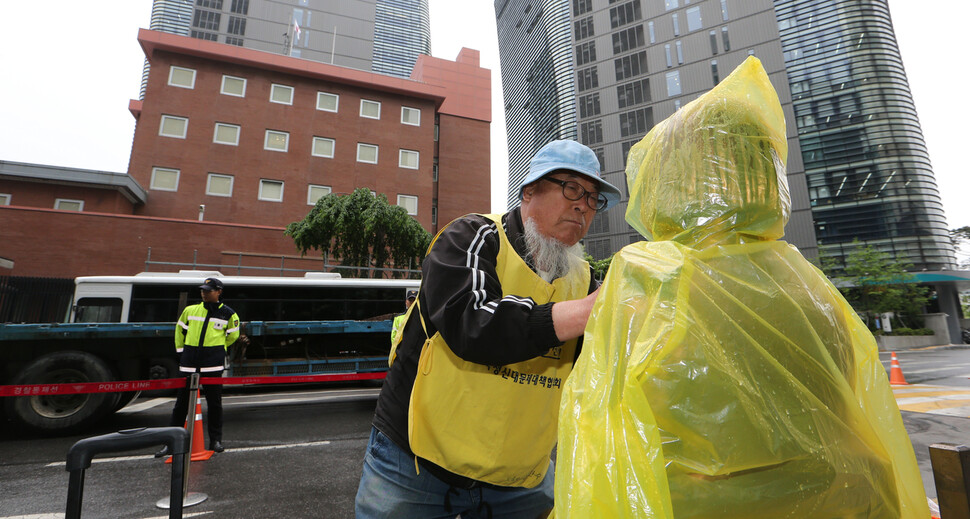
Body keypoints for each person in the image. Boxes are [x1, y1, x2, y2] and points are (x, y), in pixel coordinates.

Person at [355, 139, 622, 518]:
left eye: (594, 198)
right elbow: (473, 321)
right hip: (416, 466)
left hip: (520, 478)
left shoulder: (583, 279)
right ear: (529, 190)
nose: (583, 205)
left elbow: (605, 367)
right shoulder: (472, 237)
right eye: (572, 189)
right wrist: (587, 312)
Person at [155, 277, 240, 457]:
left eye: (208, 290)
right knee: (181, 404)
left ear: (219, 292)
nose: (204, 293)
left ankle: (215, 440)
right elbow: (179, 330)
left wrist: (218, 349)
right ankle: (171, 443)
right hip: (189, 363)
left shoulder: (229, 314)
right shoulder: (190, 310)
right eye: (203, 290)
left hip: (213, 364)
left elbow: (232, 336)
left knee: (215, 404)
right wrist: (181, 352)